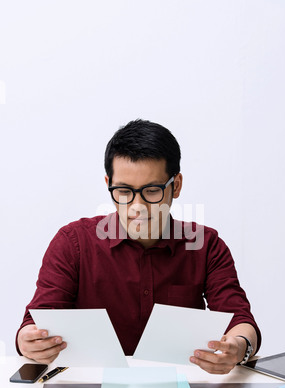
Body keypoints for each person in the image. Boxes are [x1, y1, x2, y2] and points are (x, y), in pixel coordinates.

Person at [16, 119, 261, 373]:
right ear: (108, 183)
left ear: (175, 186)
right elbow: (36, 322)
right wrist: (28, 341)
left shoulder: (206, 246)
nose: (137, 207)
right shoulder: (72, 243)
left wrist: (239, 347)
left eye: (152, 191)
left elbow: (240, 321)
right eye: (123, 191)